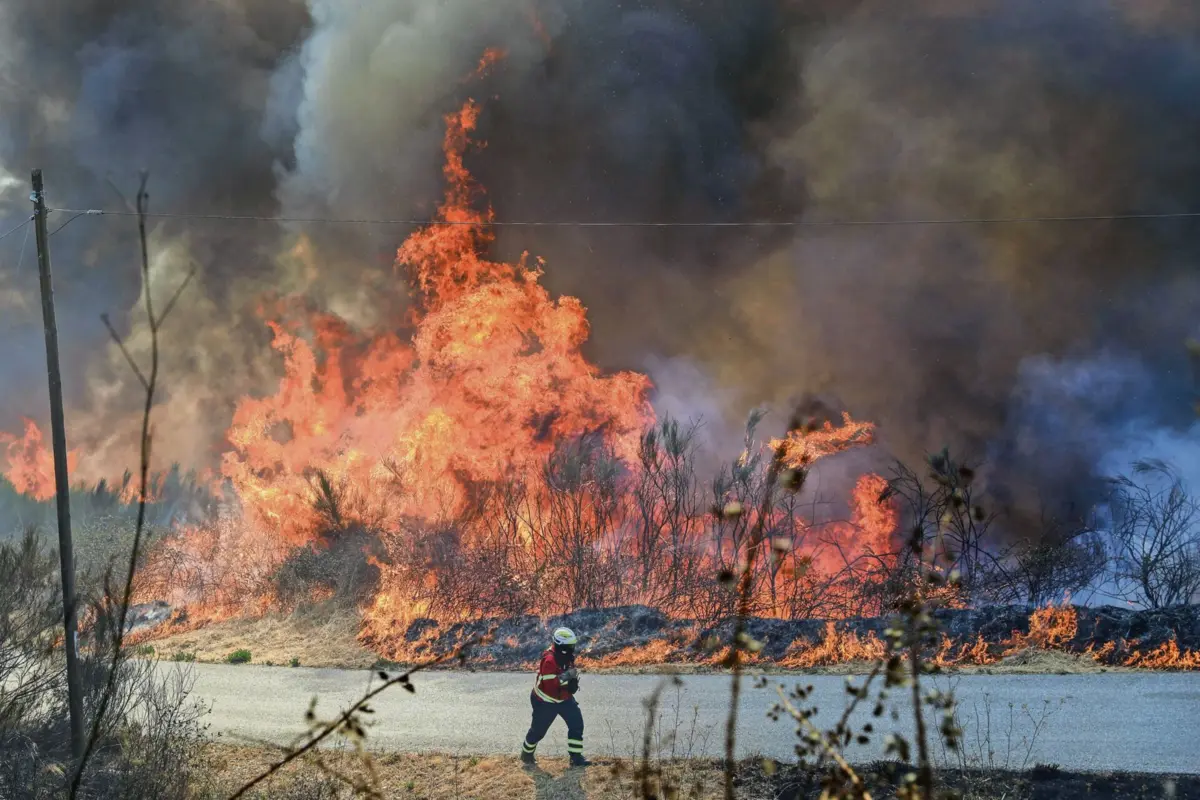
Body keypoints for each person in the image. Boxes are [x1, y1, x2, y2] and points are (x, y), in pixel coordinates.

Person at [519, 626, 590, 767]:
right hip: (545, 701)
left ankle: (576, 758)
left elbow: (566, 676)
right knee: (538, 732)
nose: (572, 648)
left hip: (564, 699)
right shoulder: (549, 660)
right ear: (561, 645)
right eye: (570, 646)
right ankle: (526, 755)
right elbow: (551, 686)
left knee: (576, 724)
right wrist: (569, 677)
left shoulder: (566, 656)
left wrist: (571, 686)